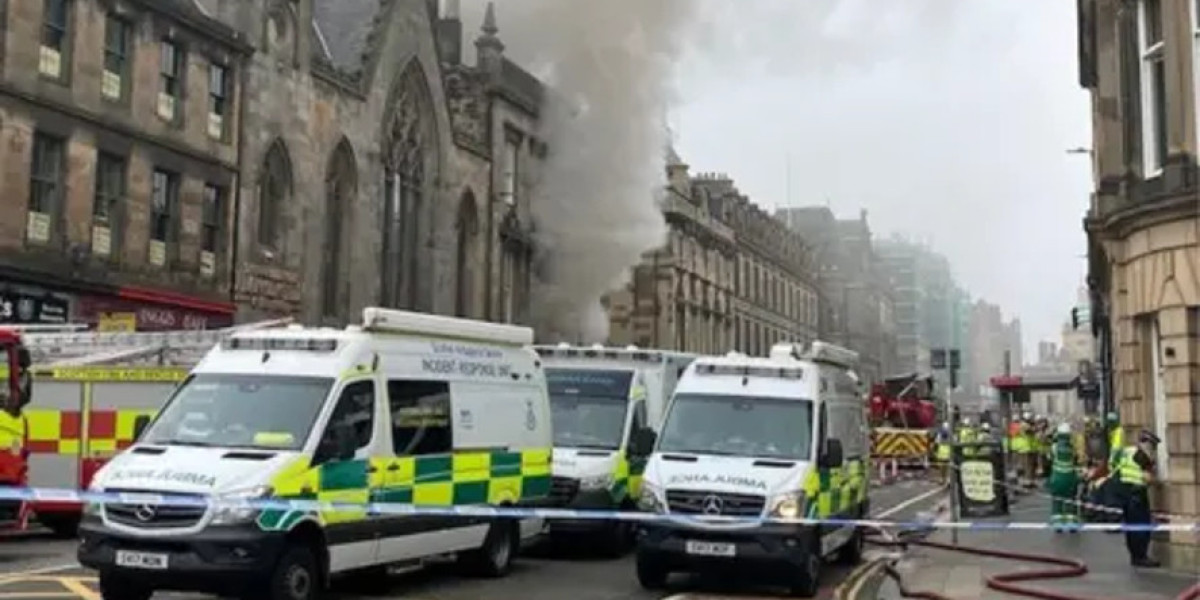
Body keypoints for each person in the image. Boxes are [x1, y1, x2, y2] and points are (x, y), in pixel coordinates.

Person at [1115, 429, 1162, 567]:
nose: (1153, 449)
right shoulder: (1142, 456)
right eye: (1152, 445)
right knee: (1142, 526)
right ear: (1146, 443)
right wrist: (1156, 482)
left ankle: (1135, 556)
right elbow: (1147, 478)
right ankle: (1141, 557)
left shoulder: (1127, 451)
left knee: (1131, 527)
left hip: (1125, 492)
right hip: (1137, 494)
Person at [1048, 422, 1080, 530]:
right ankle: (1072, 523)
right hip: (1070, 478)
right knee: (1071, 500)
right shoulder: (1072, 448)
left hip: (1057, 478)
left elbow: (1050, 458)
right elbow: (1076, 460)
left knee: (1057, 501)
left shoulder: (1054, 447)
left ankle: (1058, 524)